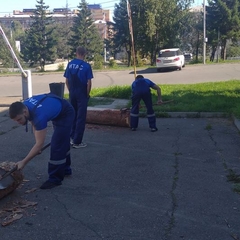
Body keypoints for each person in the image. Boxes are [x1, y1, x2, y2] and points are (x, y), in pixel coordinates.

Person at [9, 93, 75, 189]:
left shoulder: (39, 116)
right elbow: (33, 122)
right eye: (16, 121)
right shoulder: (26, 106)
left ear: (24, 112)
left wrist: (23, 162)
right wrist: (37, 145)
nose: (19, 123)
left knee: (57, 145)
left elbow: (37, 128)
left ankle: (55, 179)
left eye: (19, 119)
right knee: (61, 140)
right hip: (57, 107)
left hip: (66, 113)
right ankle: (66, 170)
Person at [64, 46, 93, 149]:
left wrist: (71, 91)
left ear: (76, 53)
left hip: (72, 92)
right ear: (84, 54)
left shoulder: (70, 64)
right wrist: (87, 94)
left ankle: (71, 136)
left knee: (73, 115)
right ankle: (77, 141)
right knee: (81, 117)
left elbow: (66, 81)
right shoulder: (86, 66)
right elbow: (89, 83)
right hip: (82, 93)